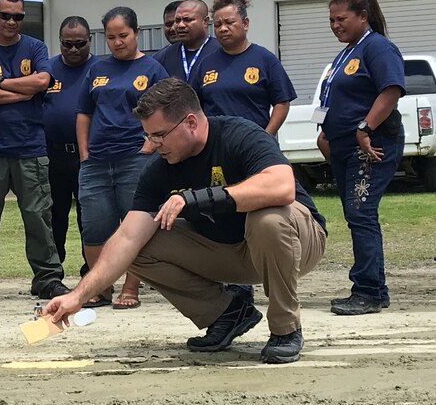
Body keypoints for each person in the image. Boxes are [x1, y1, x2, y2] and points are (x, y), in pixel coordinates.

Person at [45, 78, 327, 364]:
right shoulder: (160, 169)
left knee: (267, 219)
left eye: (159, 135)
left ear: (190, 122)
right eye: (148, 136)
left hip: (298, 243)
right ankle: (226, 314)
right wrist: (78, 296)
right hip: (231, 252)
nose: (152, 145)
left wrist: (198, 198)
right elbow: (127, 237)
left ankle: (285, 330)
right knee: (136, 247)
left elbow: (282, 187)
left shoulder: (239, 135)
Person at [0, 0, 68, 303]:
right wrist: (20, 92)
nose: (11, 21)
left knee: (38, 215)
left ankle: (47, 279)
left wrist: (0, 83)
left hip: (30, 147)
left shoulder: (35, 47)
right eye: (5, 15)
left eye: (17, 16)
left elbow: (41, 82)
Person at [317, 0, 404, 315]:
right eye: (331, 20)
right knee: (358, 215)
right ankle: (375, 290)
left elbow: (391, 89)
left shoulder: (377, 47)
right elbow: (331, 96)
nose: (335, 25)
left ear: (362, 16)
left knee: (361, 214)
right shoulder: (347, 53)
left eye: (342, 18)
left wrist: (365, 127)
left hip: (371, 143)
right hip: (340, 144)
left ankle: (367, 292)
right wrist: (323, 132)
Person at [76, 6, 168, 309]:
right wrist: (85, 153)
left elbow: (168, 111)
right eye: (111, 37)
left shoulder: (153, 69)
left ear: (136, 33)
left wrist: (152, 145)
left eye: (123, 35)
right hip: (97, 161)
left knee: (133, 226)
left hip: (135, 159)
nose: (117, 42)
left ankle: (131, 288)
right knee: (94, 227)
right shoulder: (97, 68)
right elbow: (84, 113)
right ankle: (100, 288)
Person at [191, 0, 296, 135]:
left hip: (255, 145)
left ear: (245, 23)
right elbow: (194, 107)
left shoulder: (265, 59)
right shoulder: (205, 64)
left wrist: (267, 136)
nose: (223, 28)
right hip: (217, 147)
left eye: (229, 22)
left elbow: (282, 103)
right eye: (217, 25)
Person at [43, 16, 97, 275]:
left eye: (79, 44)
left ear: (90, 41)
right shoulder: (47, 70)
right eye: (67, 44)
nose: (73, 50)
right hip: (54, 154)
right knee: (54, 215)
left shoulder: (102, 69)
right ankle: (52, 271)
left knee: (90, 215)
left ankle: (93, 268)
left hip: (90, 155)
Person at [155, 0, 221, 80]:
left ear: (205, 22)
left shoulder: (222, 50)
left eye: (187, 20)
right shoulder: (163, 57)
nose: (180, 25)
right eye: (177, 20)